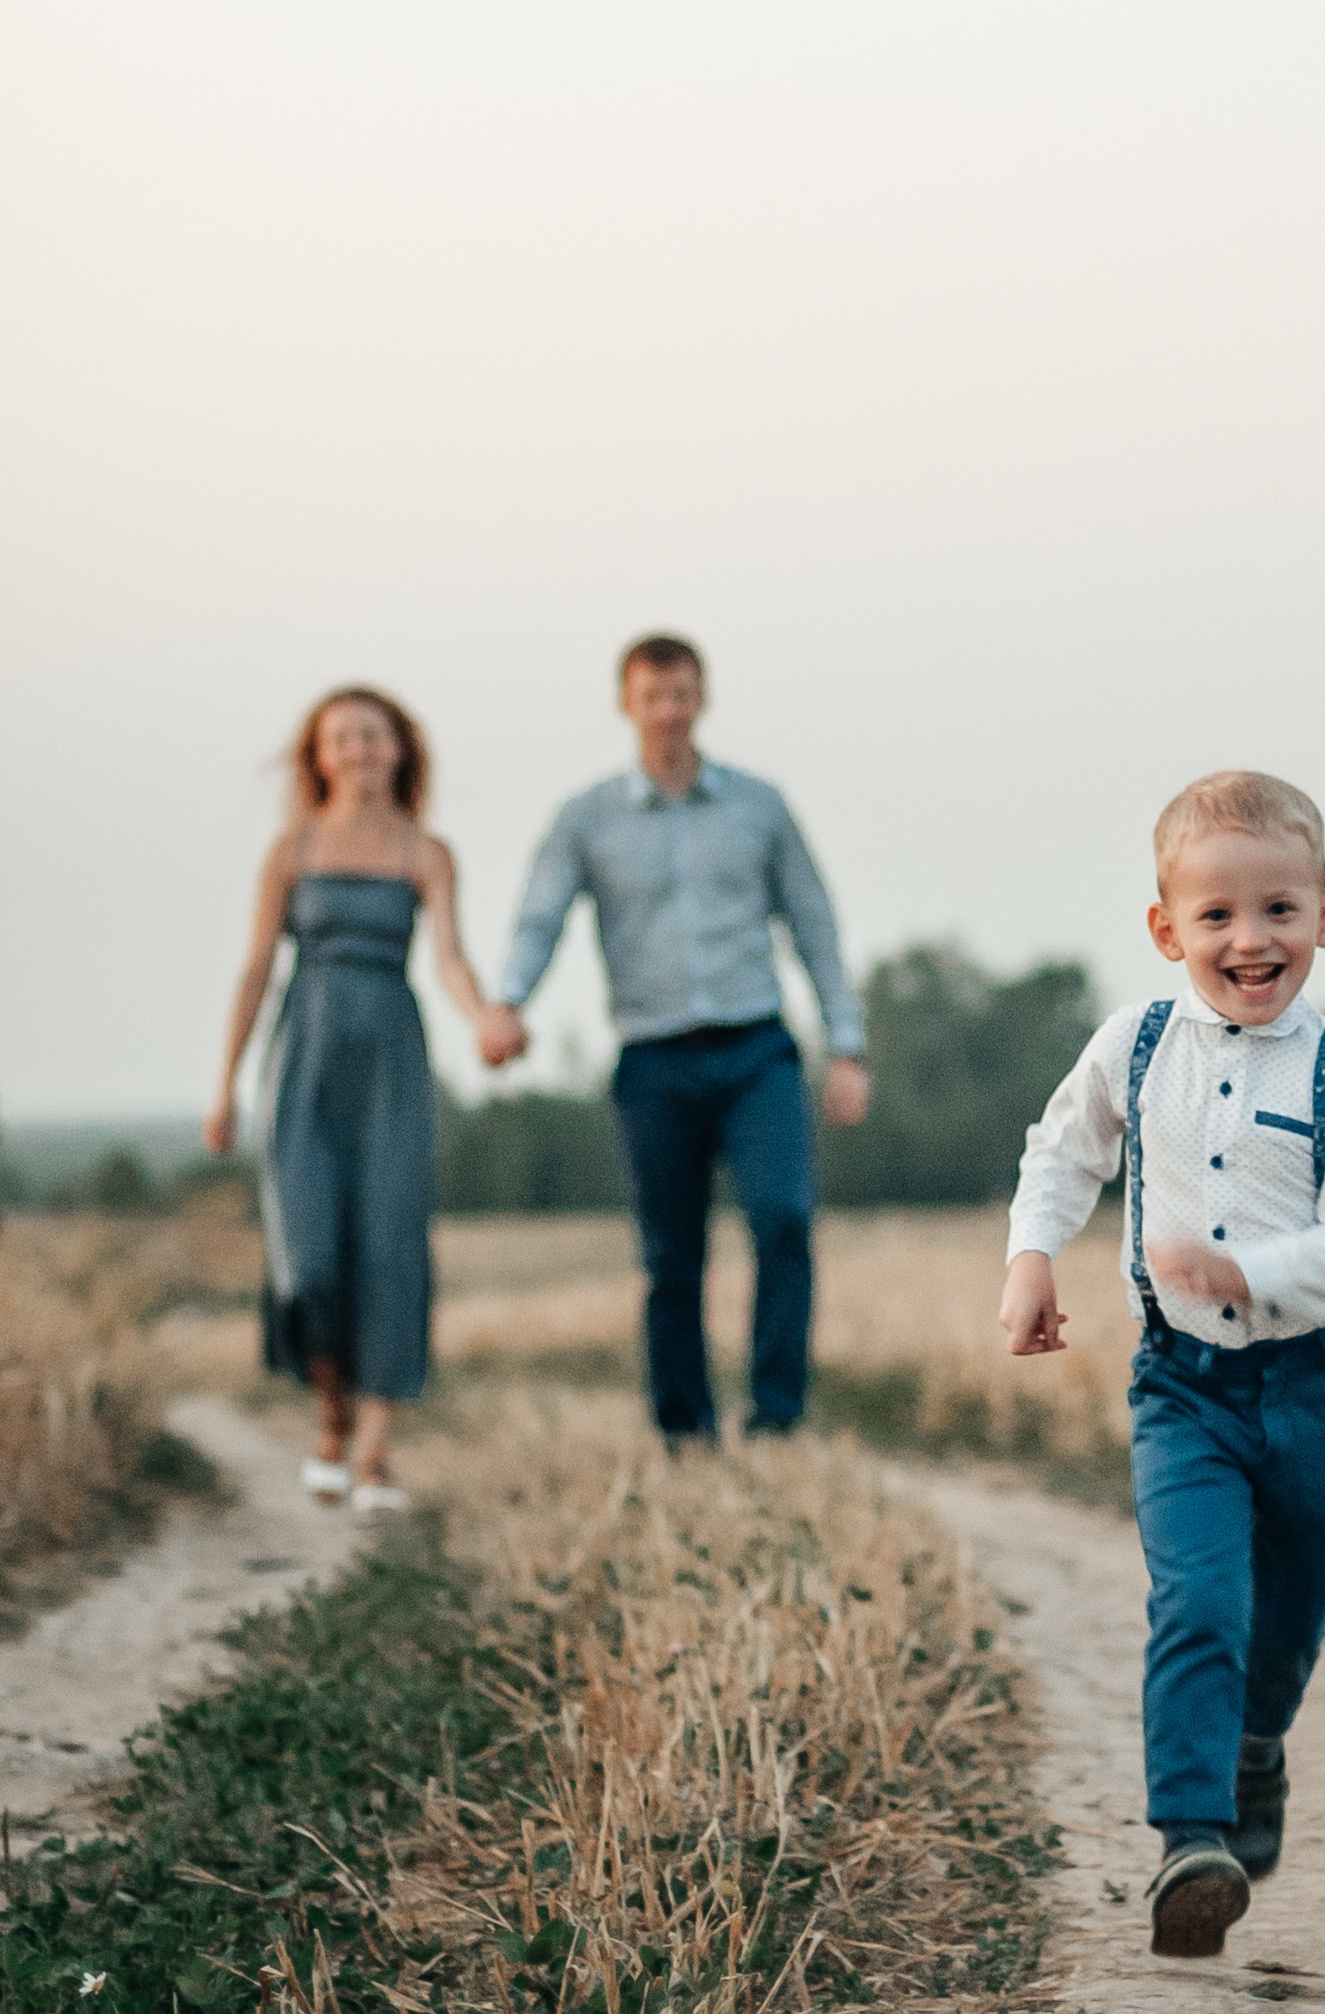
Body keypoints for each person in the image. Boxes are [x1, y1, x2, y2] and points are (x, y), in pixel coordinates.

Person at [999, 770, 1325, 1958]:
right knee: (1198, 1602)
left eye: (1277, 909)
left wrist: (1256, 1273)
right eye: (1216, 915)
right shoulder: (1135, 1045)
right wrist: (1032, 1259)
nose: (1249, 939)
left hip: (1318, 1384)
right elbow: (1062, 1152)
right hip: (1186, 1390)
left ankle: (1256, 1743)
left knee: (1292, 1610)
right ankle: (1189, 1840)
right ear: (1166, 928)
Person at [481, 634, 868, 1446]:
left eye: (681, 695)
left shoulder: (760, 806)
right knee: (671, 1257)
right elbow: (540, 917)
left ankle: (776, 1418)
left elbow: (814, 922)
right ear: (628, 704)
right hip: (653, 1059)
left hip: (756, 1050)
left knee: (784, 1222)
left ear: (702, 699)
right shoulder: (585, 819)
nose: (668, 712)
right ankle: (685, 1430)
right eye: (652, 697)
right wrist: (509, 1001)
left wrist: (846, 1044)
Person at [206, 687, 506, 1510]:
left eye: (373, 737)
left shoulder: (426, 850)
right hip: (303, 1059)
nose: (359, 751)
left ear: (401, 749)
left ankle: (374, 1450)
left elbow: (448, 956)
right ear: (318, 756)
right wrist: (225, 1085)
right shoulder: (292, 847)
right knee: (308, 1257)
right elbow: (256, 967)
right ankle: (331, 1412)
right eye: (342, 739)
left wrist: (482, 1018)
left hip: (392, 1063)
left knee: (391, 1247)